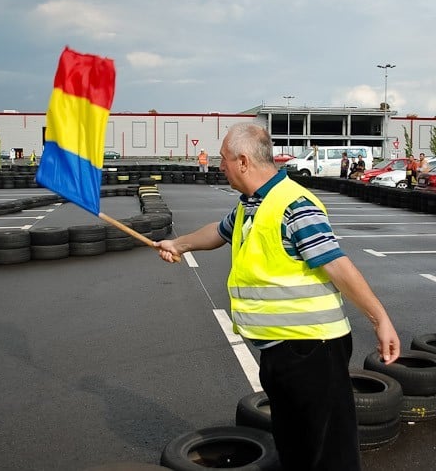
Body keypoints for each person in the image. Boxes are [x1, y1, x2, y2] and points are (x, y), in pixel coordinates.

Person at [155, 123, 400, 471]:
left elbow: (337, 265)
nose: (218, 166)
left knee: (330, 455)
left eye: (223, 159)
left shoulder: (293, 205)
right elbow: (218, 232)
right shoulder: (251, 205)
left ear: (243, 161)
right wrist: (177, 244)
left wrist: (380, 320)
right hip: (279, 352)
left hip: (313, 349)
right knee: (295, 447)